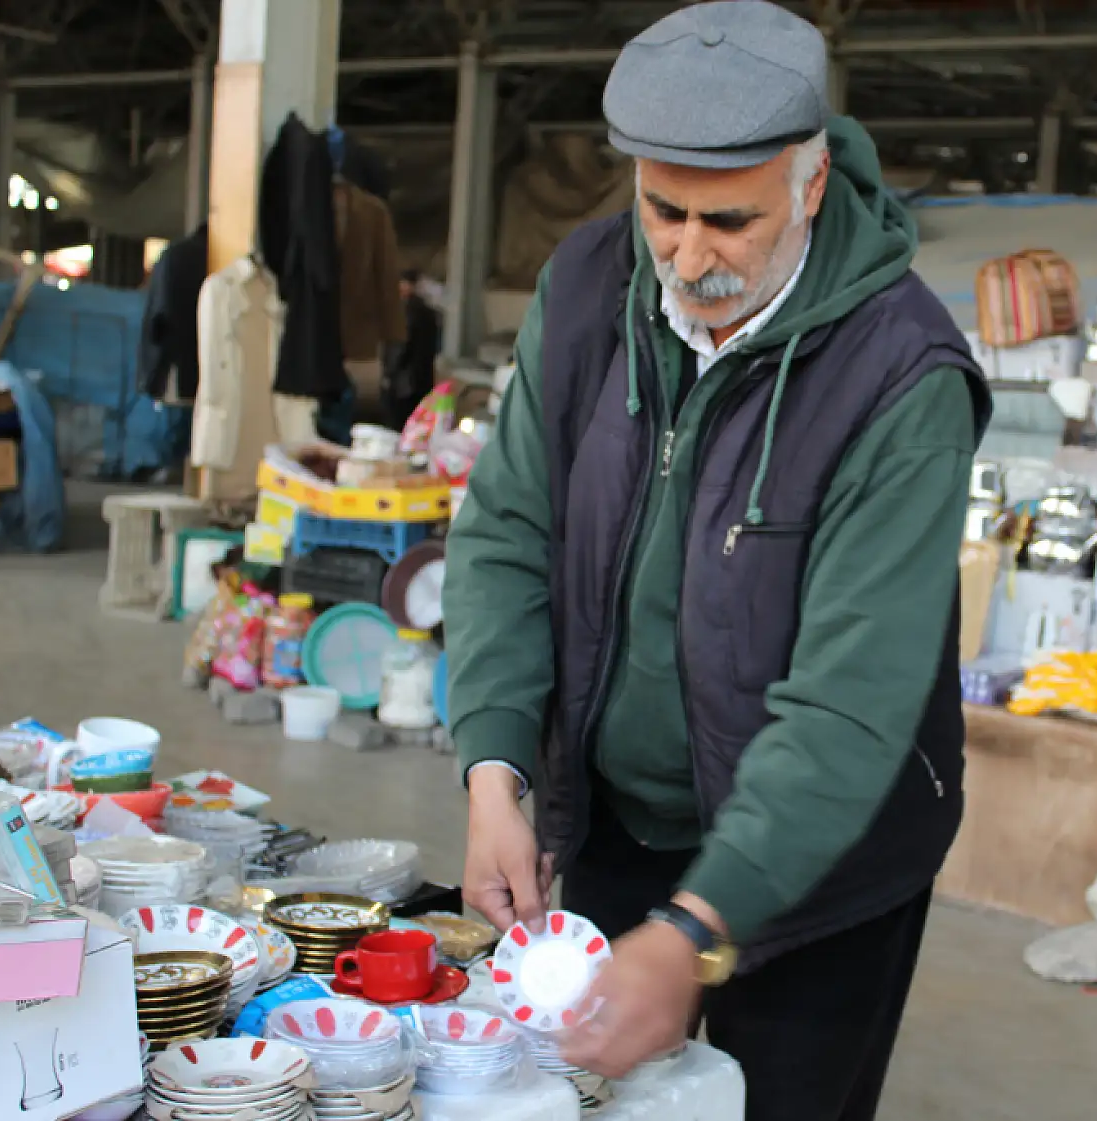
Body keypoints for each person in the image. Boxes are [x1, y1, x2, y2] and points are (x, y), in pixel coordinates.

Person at [443, 3, 990, 1118]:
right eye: (663, 210)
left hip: (822, 864)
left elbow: (848, 706)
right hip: (614, 828)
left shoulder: (902, 377)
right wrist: (494, 768)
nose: (688, 256)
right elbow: (507, 530)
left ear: (811, 183)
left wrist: (696, 927)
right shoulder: (591, 287)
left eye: (728, 221)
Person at [382, 269, 441, 429]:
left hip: (404, 383)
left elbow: (400, 346)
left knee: (396, 426)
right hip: (423, 379)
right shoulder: (430, 312)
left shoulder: (405, 311)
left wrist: (389, 373)